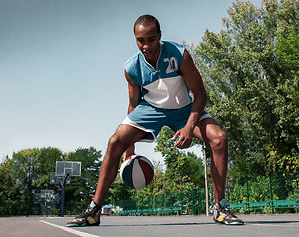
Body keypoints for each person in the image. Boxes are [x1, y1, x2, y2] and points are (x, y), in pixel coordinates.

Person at [67, 14, 244, 227]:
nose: (145, 45)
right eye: (140, 40)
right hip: (150, 110)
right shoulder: (132, 67)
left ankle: (220, 208)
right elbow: (133, 105)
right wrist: (129, 150)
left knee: (219, 139)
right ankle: (94, 210)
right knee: (115, 142)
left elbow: (200, 93)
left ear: (159, 36)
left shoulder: (179, 55)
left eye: (151, 39)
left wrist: (189, 126)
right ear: (135, 39)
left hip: (183, 110)